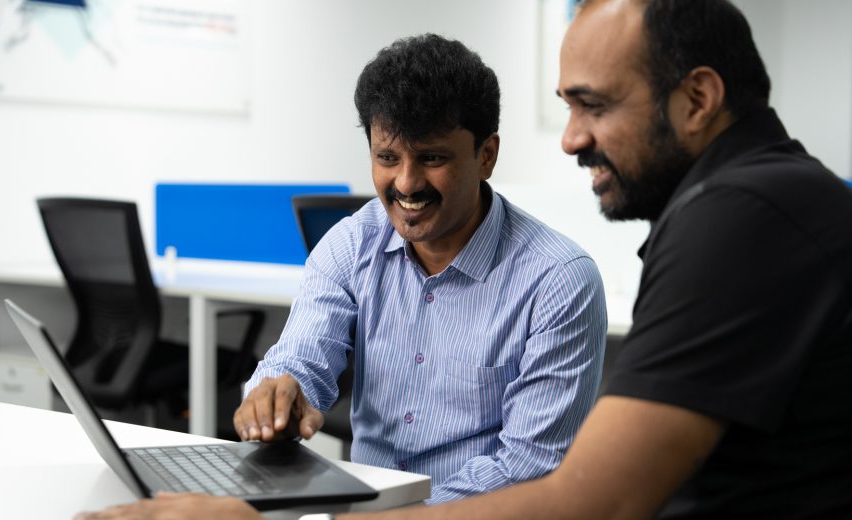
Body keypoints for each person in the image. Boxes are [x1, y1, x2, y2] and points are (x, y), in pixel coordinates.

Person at [75, 0, 852, 519]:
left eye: (593, 106)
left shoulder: (744, 219)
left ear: (699, 98)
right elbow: (301, 361)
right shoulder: (758, 201)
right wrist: (278, 398)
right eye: (568, 107)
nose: (571, 137)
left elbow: (590, 500)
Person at [248, 32, 606, 502]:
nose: (406, 183)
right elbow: (300, 357)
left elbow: (527, 471)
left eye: (432, 158)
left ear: (486, 156)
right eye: (387, 158)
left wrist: (386, 515)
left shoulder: (558, 281)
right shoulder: (353, 244)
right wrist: (278, 398)